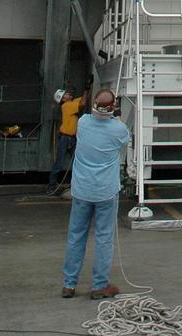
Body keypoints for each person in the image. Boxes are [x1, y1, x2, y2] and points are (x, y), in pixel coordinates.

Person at [61, 87, 130, 299]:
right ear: (113, 108)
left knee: (75, 236)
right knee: (103, 238)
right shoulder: (119, 129)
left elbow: (92, 118)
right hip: (105, 192)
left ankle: (69, 284)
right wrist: (114, 117)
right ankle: (99, 286)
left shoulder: (83, 123)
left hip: (81, 190)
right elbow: (123, 143)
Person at [47, 83, 90, 195]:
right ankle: (52, 186)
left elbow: (83, 99)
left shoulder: (72, 103)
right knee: (60, 163)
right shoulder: (66, 106)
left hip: (71, 138)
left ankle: (75, 185)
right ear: (63, 99)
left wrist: (88, 88)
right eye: (66, 93)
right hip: (66, 138)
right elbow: (83, 103)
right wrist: (86, 88)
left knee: (77, 162)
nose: (68, 93)